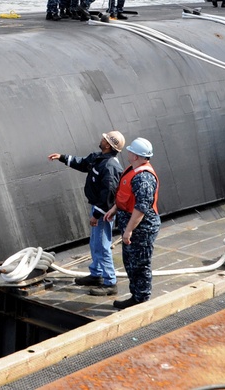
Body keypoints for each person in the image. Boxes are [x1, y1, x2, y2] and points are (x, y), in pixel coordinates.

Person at [48, 131, 125, 296]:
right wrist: (62, 157)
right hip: (98, 208)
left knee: (102, 246)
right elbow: (83, 163)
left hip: (103, 212)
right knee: (94, 243)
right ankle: (96, 274)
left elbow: (108, 196)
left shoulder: (110, 167)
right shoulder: (99, 158)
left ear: (108, 145)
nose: (101, 138)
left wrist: (96, 215)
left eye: (105, 138)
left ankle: (110, 282)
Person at [105, 137, 160, 310]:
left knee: (140, 264)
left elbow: (141, 208)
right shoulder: (134, 170)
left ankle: (141, 299)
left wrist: (128, 231)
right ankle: (135, 295)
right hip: (130, 225)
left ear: (136, 156)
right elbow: (127, 196)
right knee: (130, 262)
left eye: (130, 151)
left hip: (141, 229)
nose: (127, 152)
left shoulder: (143, 178)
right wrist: (115, 208)